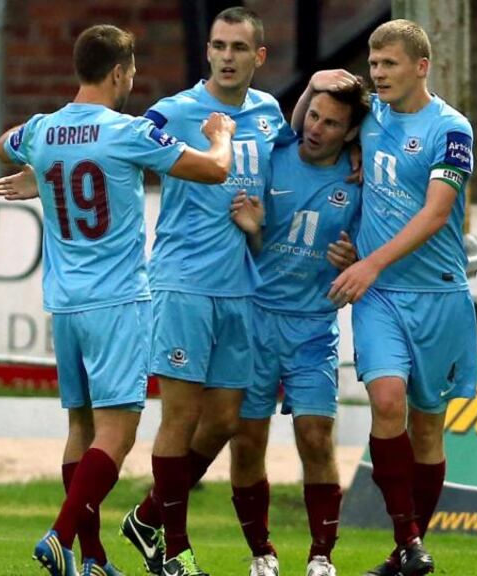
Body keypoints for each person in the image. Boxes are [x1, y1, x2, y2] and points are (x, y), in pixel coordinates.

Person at [0, 23, 236, 576]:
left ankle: (96, 559)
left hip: (65, 303)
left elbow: (1, 143)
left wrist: (39, 172)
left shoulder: (43, 130)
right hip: (118, 300)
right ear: (120, 72)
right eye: (131, 72)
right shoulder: (126, 132)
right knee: (117, 432)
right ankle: (60, 536)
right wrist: (221, 133)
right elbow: (214, 170)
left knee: (80, 427)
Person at [293, 19, 477, 576]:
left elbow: (436, 212)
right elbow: (307, 134)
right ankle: (411, 540)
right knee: (388, 401)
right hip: (381, 295)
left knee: (427, 426)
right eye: (374, 65)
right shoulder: (368, 116)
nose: (378, 73)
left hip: (439, 293)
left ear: (421, 66)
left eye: (389, 64)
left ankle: (402, 555)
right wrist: (310, 87)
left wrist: (370, 259)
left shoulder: (453, 129)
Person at [116, 8, 294, 576]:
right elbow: (118, 150)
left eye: (239, 47)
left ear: (258, 57)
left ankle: (147, 516)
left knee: (224, 419)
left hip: (240, 288)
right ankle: (175, 549)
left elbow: (302, 167)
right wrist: (39, 173)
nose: (225, 56)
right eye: (218, 45)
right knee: (180, 417)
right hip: (183, 283)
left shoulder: (270, 116)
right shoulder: (175, 112)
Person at [223, 82, 368, 576]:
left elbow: (368, 252)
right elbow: (253, 237)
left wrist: (353, 259)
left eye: (330, 123)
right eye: (313, 116)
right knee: (246, 439)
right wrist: (253, 229)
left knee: (315, 436)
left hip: (312, 327)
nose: (315, 128)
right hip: (256, 316)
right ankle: (261, 552)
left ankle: (321, 556)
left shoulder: (358, 182)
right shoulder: (275, 154)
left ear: (350, 134)